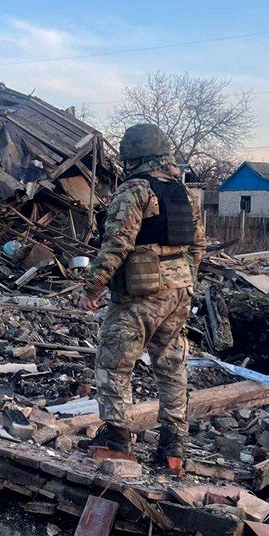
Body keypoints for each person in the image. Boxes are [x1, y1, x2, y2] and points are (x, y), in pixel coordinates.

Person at [79, 123, 206, 466]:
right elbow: (198, 246)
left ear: (132, 157)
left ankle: (117, 437)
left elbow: (117, 244)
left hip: (141, 292)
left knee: (114, 360)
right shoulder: (183, 193)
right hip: (180, 291)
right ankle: (173, 446)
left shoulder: (134, 190)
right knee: (171, 365)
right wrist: (185, 280)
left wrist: (93, 287)